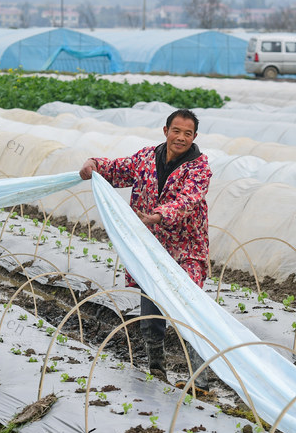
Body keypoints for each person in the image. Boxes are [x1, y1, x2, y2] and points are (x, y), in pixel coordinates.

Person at [79, 108, 212, 388]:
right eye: (176, 131)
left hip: (185, 249)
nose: (181, 137)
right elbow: (117, 169)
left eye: (188, 133)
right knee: (151, 313)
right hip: (149, 248)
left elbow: (188, 200)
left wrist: (159, 215)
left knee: (190, 310)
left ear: (194, 137)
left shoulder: (199, 168)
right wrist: (94, 163)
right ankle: (157, 369)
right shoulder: (145, 159)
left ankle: (200, 382)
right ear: (166, 131)